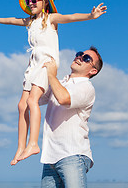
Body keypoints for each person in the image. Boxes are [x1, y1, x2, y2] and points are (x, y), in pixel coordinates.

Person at [0, 0, 107, 166]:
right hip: (32, 65)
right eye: (28, 1)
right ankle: (21, 147)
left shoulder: (50, 19)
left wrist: (90, 16)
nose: (31, 4)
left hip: (46, 64)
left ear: (44, 1)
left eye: (34, 0)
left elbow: (71, 17)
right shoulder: (30, 22)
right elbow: (13, 20)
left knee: (32, 101)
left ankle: (33, 144)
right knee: (21, 106)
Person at [40, 46, 103, 187]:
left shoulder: (86, 87)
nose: (79, 57)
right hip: (50, 157)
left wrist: (51, 75)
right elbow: (37, 99)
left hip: (72, 154)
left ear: (93, 71)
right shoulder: (60, 83)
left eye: (86, 58)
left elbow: (63, 98)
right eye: (80, 54)